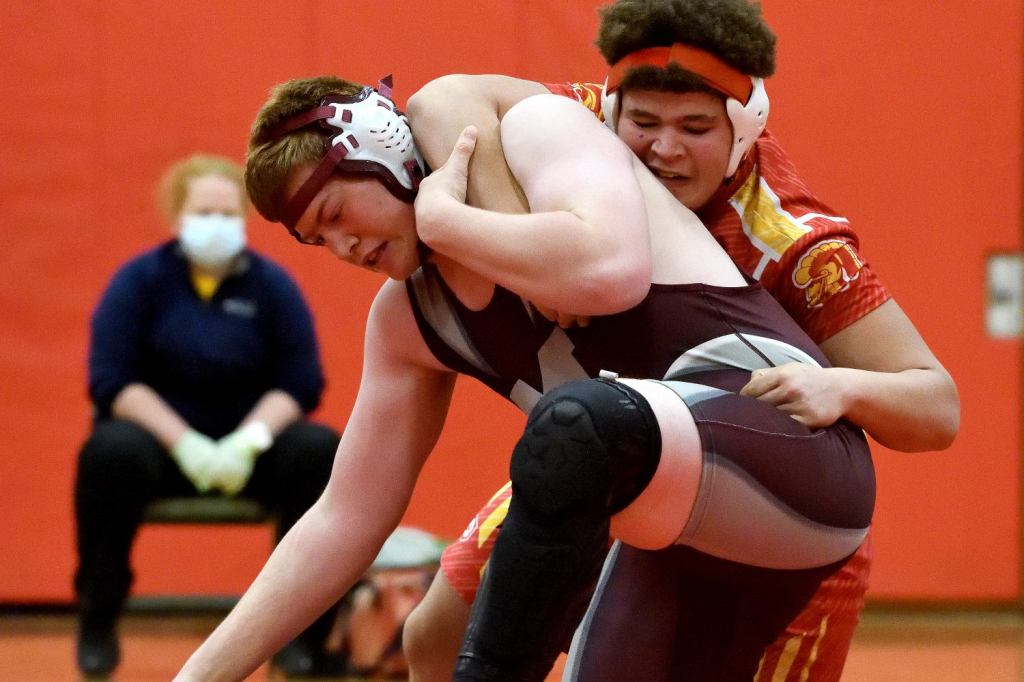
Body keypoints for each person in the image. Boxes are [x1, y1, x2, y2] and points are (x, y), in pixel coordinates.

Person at [175, 64, 880, 680]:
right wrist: (200, 673)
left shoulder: (535, 133)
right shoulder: (407, 322)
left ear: (381, 153)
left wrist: (447, 222)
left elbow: (608, 276)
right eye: (317, 240)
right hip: (664, 524)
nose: (343, 245)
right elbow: (343, 519)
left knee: (577, 426)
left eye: (335, 212)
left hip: (790, 455)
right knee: (561, 472)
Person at [400, 0, 959, 679]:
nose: (664, 149)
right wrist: (535, 251)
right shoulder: (587, 126)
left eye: (695, 128)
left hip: (761, 506)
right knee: (434, 636)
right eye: (644, 123)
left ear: (744, 131)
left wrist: (840, 386)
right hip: (610, 448)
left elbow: (936, 406)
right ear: (613, 111)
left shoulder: (792, 243)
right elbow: (442, 100)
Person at [73, 154, 344, 677]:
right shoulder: (138, 282)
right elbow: (112, 380)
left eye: (227, 214)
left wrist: (248, 441)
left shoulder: (273, 287)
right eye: (204, 213)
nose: (216, 224)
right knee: (108, 454)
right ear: (177, 218)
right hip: (161, 449)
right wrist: (185, 444)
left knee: (319, 451)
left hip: (250, 452)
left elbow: (300, 382)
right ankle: (98, 617)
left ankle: (300, 636)